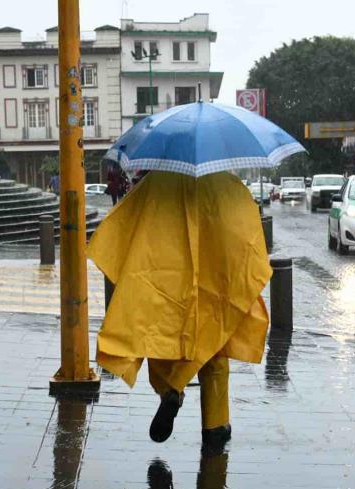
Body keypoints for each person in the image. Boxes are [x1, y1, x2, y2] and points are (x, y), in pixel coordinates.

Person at [87, 170, 271, 448]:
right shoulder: (228, 184)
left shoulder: (156, 183)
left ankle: (170, 390)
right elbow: (247, 238)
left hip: (167, 283)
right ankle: (215, 425)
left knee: (162, 344)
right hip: (215, 285)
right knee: (214, 351)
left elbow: (123, 224)